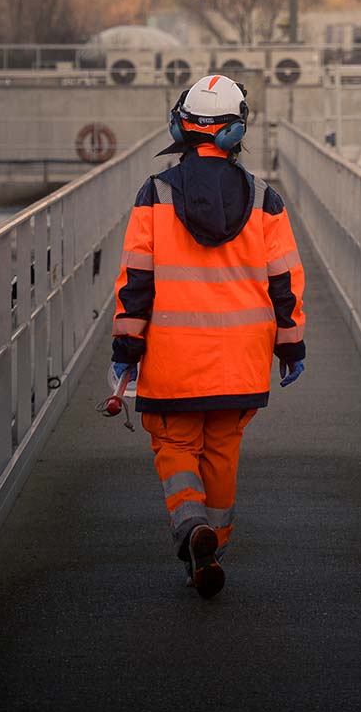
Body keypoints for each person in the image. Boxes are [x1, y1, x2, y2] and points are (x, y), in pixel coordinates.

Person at [110, 74, 307, 599]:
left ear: (180, 126)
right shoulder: (267, 200)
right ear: (236, 131)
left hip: (172, 361)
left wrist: (125, 351)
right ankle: (212, 547)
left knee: (175, 445)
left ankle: (191, 525)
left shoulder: (154, 195)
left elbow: (136, 279)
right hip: (240, 362)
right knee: (222, 448)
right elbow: (285, 282)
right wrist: (290, 345)